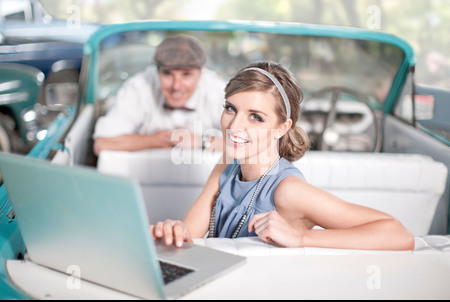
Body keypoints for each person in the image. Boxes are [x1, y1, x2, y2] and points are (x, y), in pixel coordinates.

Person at [151, 61, 415, 251]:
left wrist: (300, 238)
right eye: (231, 109)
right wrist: (175, 231)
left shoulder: (288, 190)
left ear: (282, 127)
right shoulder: (227, 165)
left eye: (256, 117)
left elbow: (399, 234)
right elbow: (190, 235)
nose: (233, 126)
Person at [93, 35, 225, 156]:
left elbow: (245, 147)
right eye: (167, 74)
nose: (176, 86)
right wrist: (156, 140)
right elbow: (102, 144)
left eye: (186, 75)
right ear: (157, 71)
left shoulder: (218, 90)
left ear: (201, 73)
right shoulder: (138, 87)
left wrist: (201, 142)